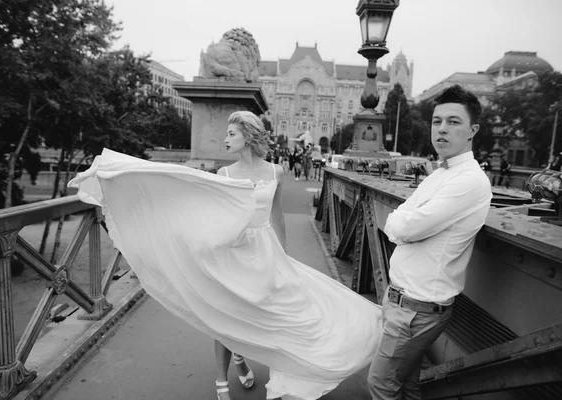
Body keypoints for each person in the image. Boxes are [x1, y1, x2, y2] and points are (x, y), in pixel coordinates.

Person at [69, 111, 382, 400]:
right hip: (233, 254)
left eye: (232, 133)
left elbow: (277, 217)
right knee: (225, 316)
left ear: (248, 136)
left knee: (283, 315)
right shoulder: (224, 173)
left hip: (266, 253)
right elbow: (190, 196)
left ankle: (268, 366)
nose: (225, 138)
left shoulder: (276, 171)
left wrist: (283, 257)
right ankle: (223, 378)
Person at [367, 84, 492, 399]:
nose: (442, 129)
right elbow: (404, 218)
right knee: (407, 383)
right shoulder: (439, 175)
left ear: (472, 130)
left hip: (415, 310)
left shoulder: (469, 182)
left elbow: (405, 226)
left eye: (453, 122)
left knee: (380, 384)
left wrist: (400, 225)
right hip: (402, 301)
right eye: (437, 121)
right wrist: (402, 223)